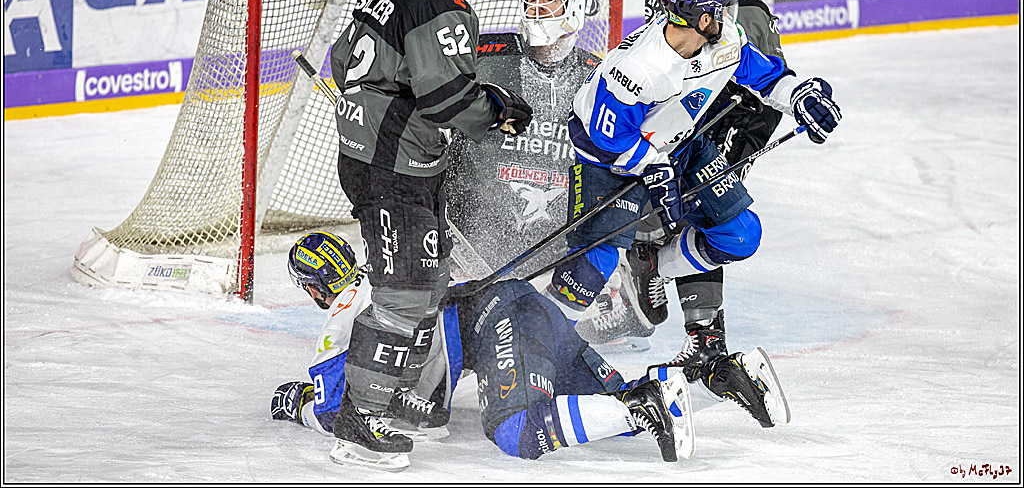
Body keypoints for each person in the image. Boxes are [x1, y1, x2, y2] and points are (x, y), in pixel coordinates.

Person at [528, 0, 840, 410]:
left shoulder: (723, 40)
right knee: (593, 262)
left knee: (739, 233)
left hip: (681, 142)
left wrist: (799, 95)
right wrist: (654, 170)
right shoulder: (641, 69)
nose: (729, 18)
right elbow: (603, 138)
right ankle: (533, 354)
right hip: (604, 159)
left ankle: (653, 264)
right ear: (702, 19)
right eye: (720, 10)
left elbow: (765, 76)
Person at [537, 0, 794, 355]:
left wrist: (753, 93)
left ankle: (669, 295)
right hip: (692, 109)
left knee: (694, 209)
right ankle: (699, 329)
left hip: (717, 111)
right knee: (690, 213)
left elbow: (746, 30)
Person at [271, 231, 790, 470]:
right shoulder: (394, 276)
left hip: (502, 319)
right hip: (531, 311)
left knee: (516, 431)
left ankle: (646, 402)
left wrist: (296, 402)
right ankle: (723, 378)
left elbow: (340, 405)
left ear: (315, 289)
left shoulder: (349, 318)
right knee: (616, 401)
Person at [326, 0, 534, 462]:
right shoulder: (440, 7)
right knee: (406, 293)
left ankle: (391, 399)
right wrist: (500, 110)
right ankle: (358, 416)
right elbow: (445, 101)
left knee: (426, 284)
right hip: (394, 167)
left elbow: (341, 61)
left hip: (375, 159)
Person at [444, 0, 651, 351]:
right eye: (530, 3)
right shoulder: (488, 58)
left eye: (548, 2)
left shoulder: (598, 74)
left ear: (571, 12)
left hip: (557, 236)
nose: (536, 11)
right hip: (479, 230)